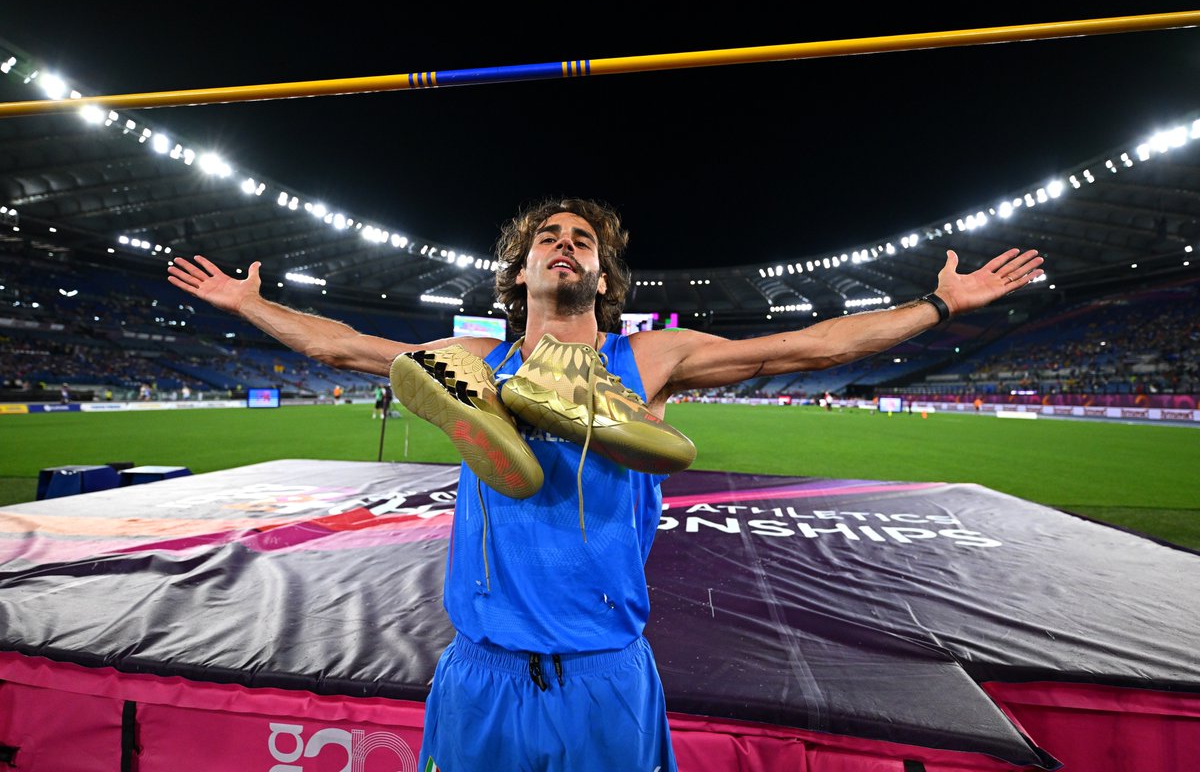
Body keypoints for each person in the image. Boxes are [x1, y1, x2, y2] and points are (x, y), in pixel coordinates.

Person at [166, 196, 1043, 772]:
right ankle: (502, 420)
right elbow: (344, 347)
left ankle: (576, 416)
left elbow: (804, 347)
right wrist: (249, 306)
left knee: (639, 431)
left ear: (604, 278)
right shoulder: (473, 355)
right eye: (547, 237)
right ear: (519, 273)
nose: (564, 244)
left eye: (581, 240)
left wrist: (940, 308)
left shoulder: (650, 357)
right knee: (431, 374)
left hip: (602, 666)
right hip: (483, 664)